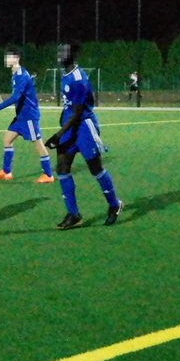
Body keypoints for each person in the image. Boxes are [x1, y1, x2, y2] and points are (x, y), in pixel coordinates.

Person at [45, 43, 123, 229]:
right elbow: (71, 105)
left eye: (63, 51)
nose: (59, 54)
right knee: (62, 167)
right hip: (70, 125)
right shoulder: (65, 75)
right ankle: (74, 214)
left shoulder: (78, 79)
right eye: (58, 50)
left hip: (84, 127)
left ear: (72, 55)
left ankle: (114, 204)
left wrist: (58, 135)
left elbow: (78, 112)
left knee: (96, 168)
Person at [0, 48, 55, 183]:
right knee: (7, 140)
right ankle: (6, 171)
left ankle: (48, 174)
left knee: (39, 144)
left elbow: (16, 97)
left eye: (9, 57)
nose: (6, 59)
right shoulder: (15, 74)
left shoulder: (21, 75)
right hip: (21, 117)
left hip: (29, 116)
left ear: (16, 58)